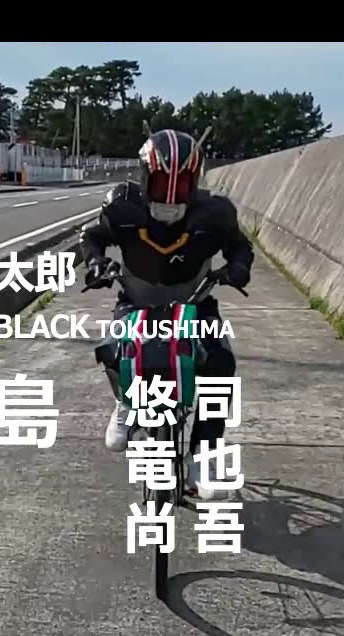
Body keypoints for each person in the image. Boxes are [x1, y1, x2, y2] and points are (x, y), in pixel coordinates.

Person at [79, 128, 254, 500]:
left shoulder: (216, 213)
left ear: (195, 181)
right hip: (135, 301)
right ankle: (125, 401)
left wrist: (238, 268)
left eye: (182, 184)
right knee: (112, 349)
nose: (171, 196)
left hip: (196, 301)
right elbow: (91, 237)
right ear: (146, 177)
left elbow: (241, 248)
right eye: (161, 183)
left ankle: (204, 453)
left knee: (220, 361)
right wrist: (95, 263)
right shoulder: (121, 207)